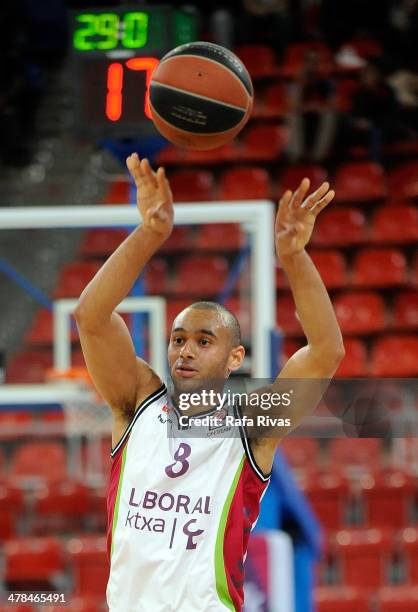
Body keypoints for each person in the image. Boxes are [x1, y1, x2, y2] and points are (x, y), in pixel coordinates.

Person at [75, 154, 344, 611]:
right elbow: (91, 316)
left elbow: (325, 352)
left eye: (204, 340)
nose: (186, 350)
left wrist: (294, 259)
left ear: (235, 357)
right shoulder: (136, 401)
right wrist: (150, 233)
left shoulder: (251, 427)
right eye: (178, 339)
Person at [287, 50, 338, 163]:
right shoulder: (297, 81)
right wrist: (301, 84)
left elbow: (333, 104)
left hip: (319, 115)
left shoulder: (326, 82)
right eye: (308, 62)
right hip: (302, 115)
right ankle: (296, 153)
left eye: (314, 62)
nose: (311, 65)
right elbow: (291, 104)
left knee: (330, 116)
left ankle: (319, 156)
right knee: (291, 116)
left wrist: (317, 107)